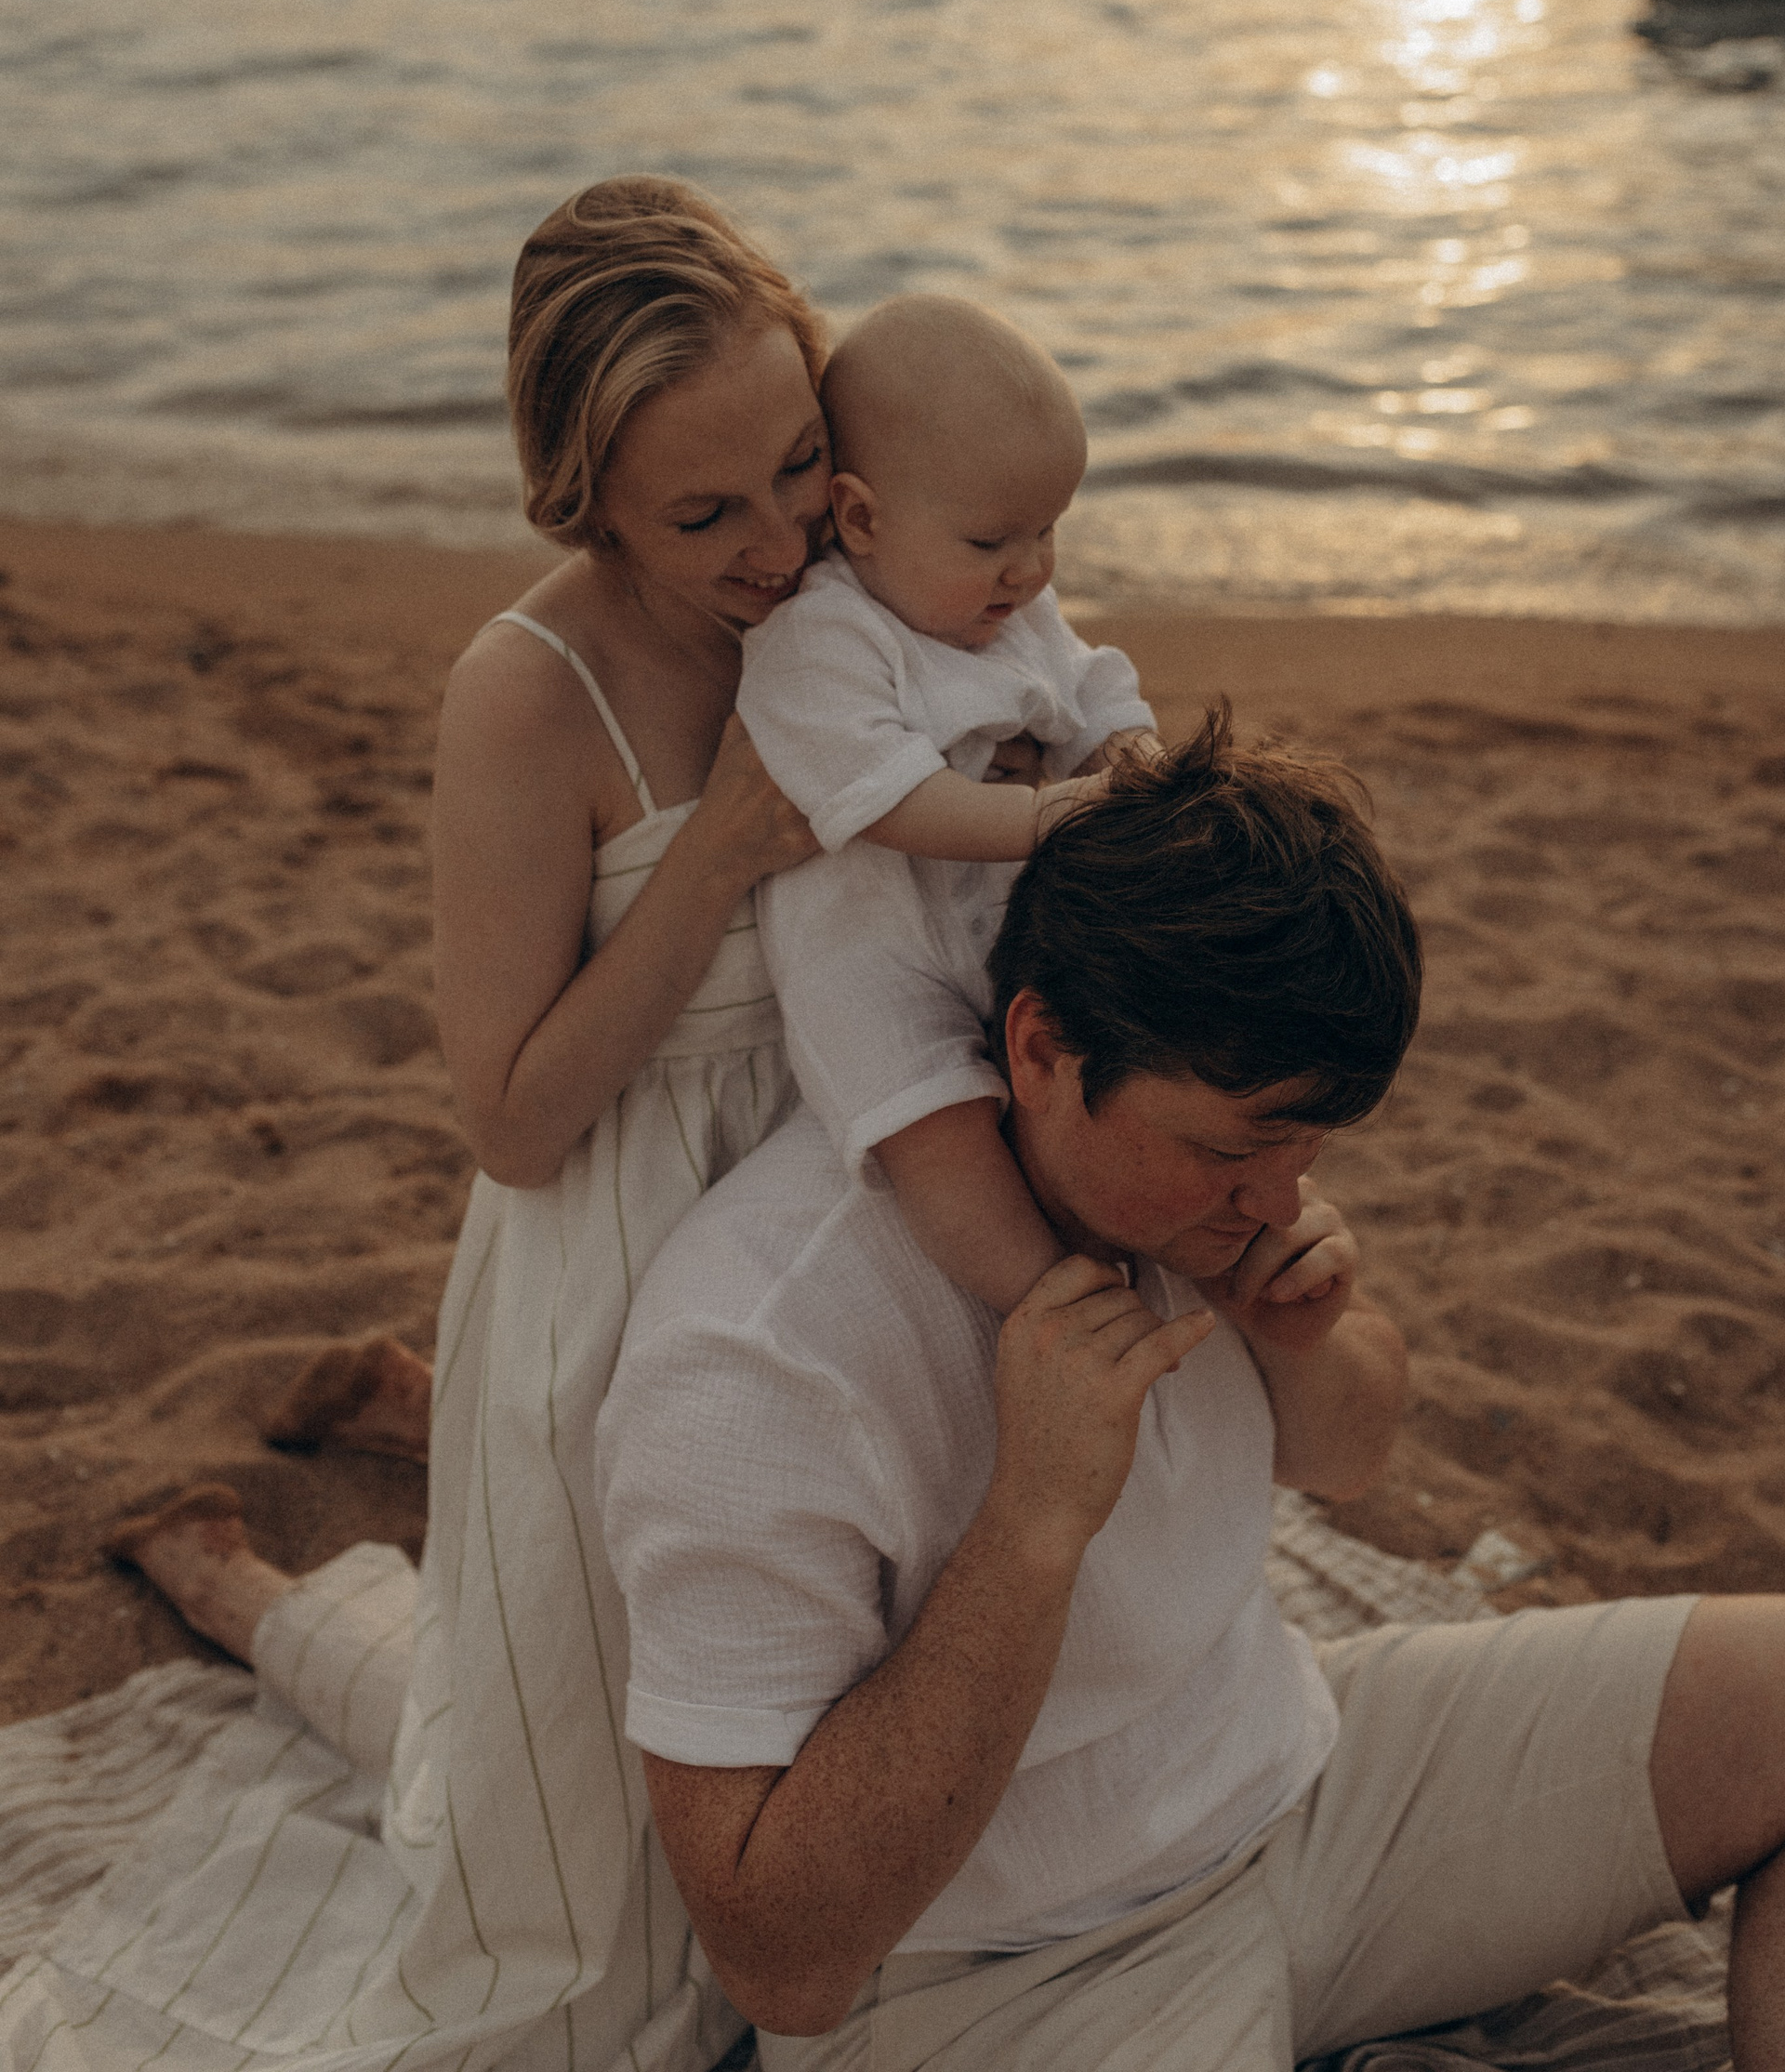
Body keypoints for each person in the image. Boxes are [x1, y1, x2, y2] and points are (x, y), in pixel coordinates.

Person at [597, 722, 1785, 2072]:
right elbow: (779, 1960)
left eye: (1310, 1145)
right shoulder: (756, 1351)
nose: (1278, 1198)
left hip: (1312, 1787)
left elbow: (1345, 1459)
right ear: (1040, 1049)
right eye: (1232, 1151)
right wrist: (1031, 1521)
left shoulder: (1206, 1177)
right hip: (1006, 1970)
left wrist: (1306, 1338)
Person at [73, 175, 835, 2072]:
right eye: (705, 516)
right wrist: (720, 854)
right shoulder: (526, 694)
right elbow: (509, 1121)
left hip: (837, 1226)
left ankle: (408, 1422)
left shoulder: (851, 573)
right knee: (578, 1900)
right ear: (587, 506)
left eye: (800, 465)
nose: (777, 546)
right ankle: (232, 1581)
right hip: (626, 1245)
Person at [737, 293, 1157, 1313]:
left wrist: (1134, 758)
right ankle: (1044, 1303)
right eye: (991, 540)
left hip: (1007, 922)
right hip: (873, 951)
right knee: (932, 1122)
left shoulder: (1010, 608)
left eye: (1049, 529)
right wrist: (1061, 814)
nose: (1033, 567)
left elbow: (1093, 685)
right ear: (862, 518)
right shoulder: (821, 639)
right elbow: (895, 803)